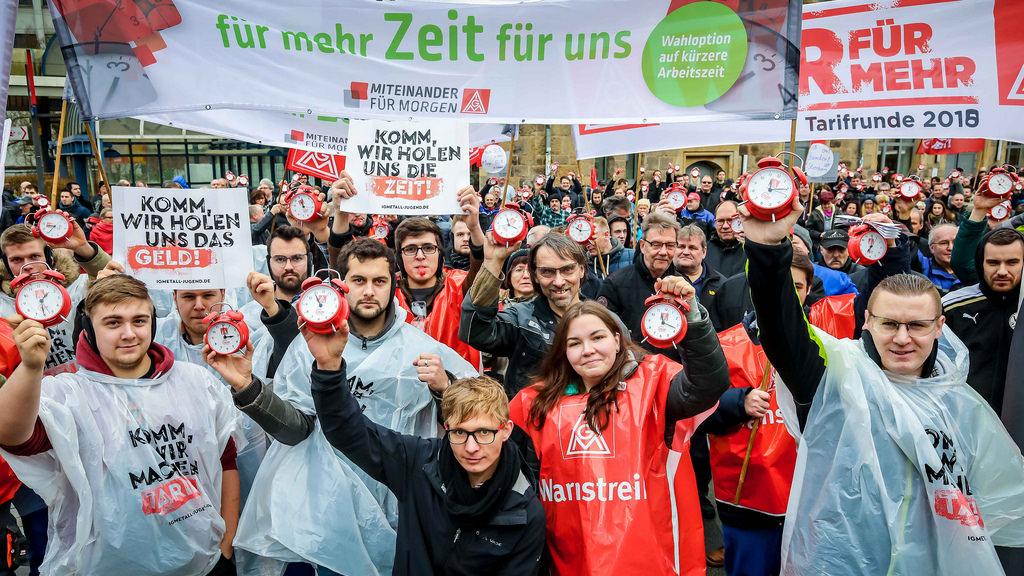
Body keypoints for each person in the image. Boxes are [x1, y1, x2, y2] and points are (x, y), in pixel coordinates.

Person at [739, 196, 1024, 574]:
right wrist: (766, 248)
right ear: (868, 322)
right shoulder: (836, 381)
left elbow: (990, 497)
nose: (902, 339)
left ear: (939, 327)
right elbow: (782, 329)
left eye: (917, 325)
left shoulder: (955, 400)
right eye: (889, 324)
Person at [229, 238, 477, 576]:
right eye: (359, 280)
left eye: (380, 281)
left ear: (394, 284)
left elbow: (475, 425)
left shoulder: (422, 350)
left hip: (397, 510)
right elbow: (296, 430)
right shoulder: (308, 348)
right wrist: (248, 389)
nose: (369, 291)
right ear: (342, 285)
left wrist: (444, 388)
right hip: (328, 512)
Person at [0, 274, 242, 576]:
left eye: (139, 321)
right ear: (89, 329)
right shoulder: (67, 394)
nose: (129, 334)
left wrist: (225, 546)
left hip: (205, 562)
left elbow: (226, 461)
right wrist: (30, 367)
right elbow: (12, 437)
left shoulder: (195, 380)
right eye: (113, 323)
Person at [509, 299, 730, 576]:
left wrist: (693, 320)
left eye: (597, 337)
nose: (587, 350)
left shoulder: (655, 385)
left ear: (616, 340)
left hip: (650, 560)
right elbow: (530, 480)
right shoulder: (539, 402)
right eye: (575, 343)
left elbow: (708, 384)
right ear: (563, 351)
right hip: (569, 559)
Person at [309, 324, 547, 576]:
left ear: (506, 430)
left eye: (484, 433)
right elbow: (348, 432)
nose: (471, 447)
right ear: (447, 428)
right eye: (459, 433)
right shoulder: (418, 464)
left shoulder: (525, 513)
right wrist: (328, 366)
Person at [329, 175, 485, 370]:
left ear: (440, 253)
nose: (420, 256)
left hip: (455, 386)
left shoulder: (459, 285)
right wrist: (340, 215)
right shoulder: (385, 287)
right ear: (399, 257)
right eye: (410, 249)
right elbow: (343, 273)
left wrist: (474, 227)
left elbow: (483, 274)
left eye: (428, 248)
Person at [461, 233, 590, 399]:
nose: (559, 281)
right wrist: (493, 263)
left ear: (581, 270)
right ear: (535, 276)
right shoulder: (521, 318)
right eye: (547, 272)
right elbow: (474, 332)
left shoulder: (604, 321)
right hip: (530, 415)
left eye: (567, 270)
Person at [0, 223, 110, 374]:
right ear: (6, 263)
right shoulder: (2, 308)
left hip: (89, 381)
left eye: (34, 256)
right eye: (16, 260)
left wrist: (84, 248)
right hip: (36, 387)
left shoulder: (80, 287)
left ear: (49, 256)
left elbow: (120, 283)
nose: (27, 266)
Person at [674, 224, 725, 307]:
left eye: (692, 248)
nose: (686, 252)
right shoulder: (662, 278)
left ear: (704, 252)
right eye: (681, 247)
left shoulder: (721, 284)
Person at [706, 201, 746, 278]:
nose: (725, 226)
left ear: (740, 221)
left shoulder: (751, 250)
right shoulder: (704, 250)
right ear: (715, 223)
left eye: (730, 220)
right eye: (720, 221)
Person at [920, 223, 961, 293]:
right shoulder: (923, 267)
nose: (951, 248)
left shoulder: (972, 270)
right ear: (932, 248)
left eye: (956, 242)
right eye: (944, 243)